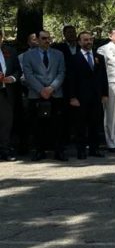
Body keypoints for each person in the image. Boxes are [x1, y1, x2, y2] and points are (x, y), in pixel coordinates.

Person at [22, 29, 67, 161]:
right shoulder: (28, 55)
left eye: (48, 38)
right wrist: (41, 89)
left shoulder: (58, 54)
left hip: (55, 94)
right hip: (36, 94)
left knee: (58, 124)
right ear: (37, 39)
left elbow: (61, 72)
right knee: (38, 125)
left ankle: (59, 152)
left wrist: (52, 88)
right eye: (44, 38)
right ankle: (39, 151)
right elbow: (28, 75)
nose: (47, 41)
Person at [65, 31, 107, 159]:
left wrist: (104, 94)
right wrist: (72, 97)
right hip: (80, 97)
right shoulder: (74, 58)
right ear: (79, 42)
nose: (89, 42)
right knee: (81, 125)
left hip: (96, 96)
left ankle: (95, 149)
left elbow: (103, 77)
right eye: (85, 40)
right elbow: (70, 79)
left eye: (90, 39)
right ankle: (81, 150)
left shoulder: (99, 57)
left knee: (95, 124)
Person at [0, 29, 22, 161]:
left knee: (6, 123)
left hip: (6, 92)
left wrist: (12, 78)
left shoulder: (10, 51)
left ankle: (5, 150)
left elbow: (18, 70)